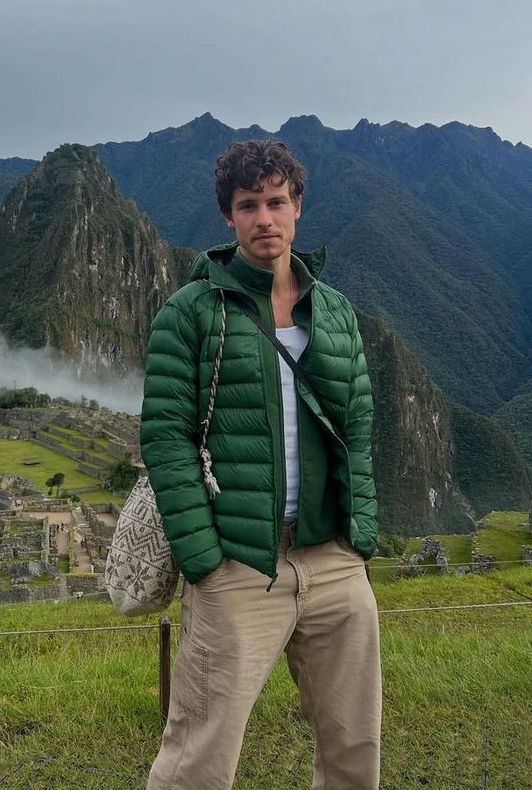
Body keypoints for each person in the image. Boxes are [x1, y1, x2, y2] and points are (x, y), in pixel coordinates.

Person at [141, 139, 380, 790]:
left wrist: (358, 540)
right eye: (249, 206)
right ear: (228, 217)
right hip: (239, 562)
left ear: (298, 207)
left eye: (276, 202)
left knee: (352, 746)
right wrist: (201, 557)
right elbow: (164, 436)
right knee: (199, 754)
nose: (264, 219)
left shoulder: (332, 311)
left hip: (331, 557)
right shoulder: (190, 314)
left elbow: (357, 424)